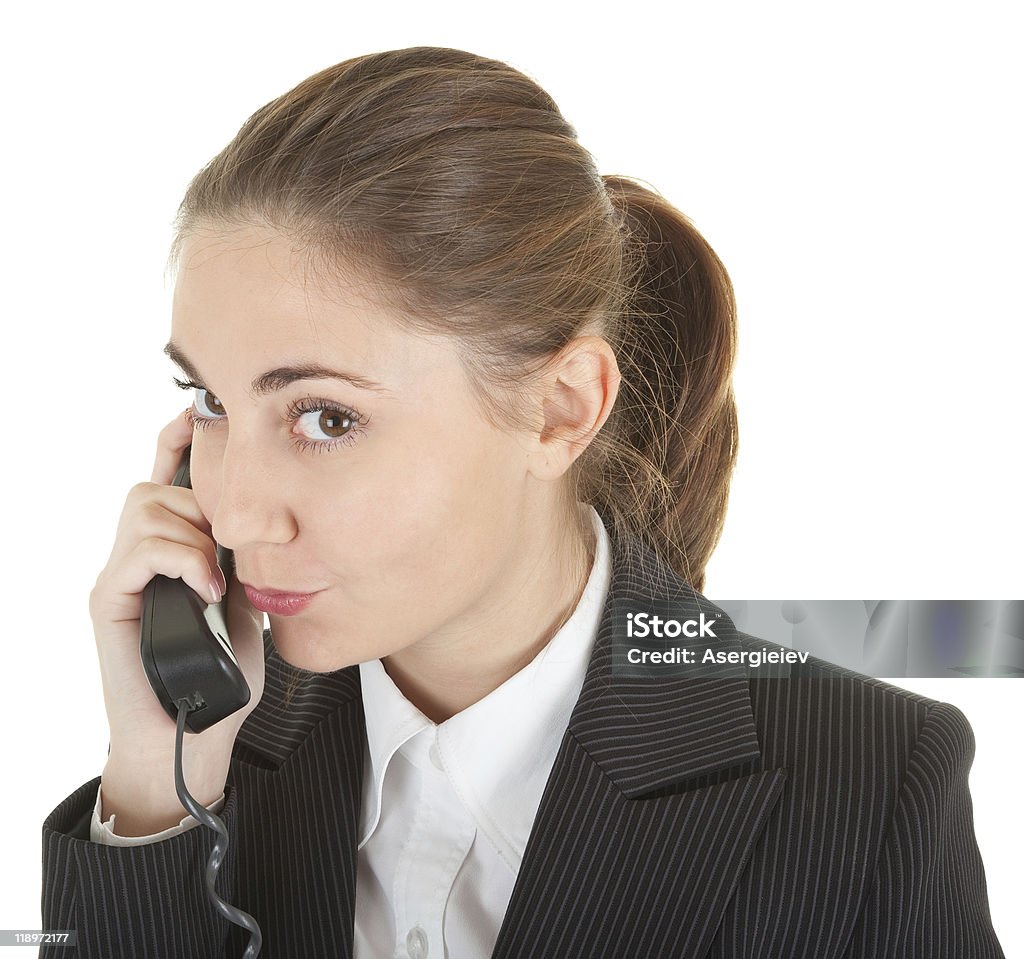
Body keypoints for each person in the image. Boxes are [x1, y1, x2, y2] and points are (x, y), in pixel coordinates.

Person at [40, 46, 1005, 958]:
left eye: (325, 417)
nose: (240, 518)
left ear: (560, 409)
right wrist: (156, 788)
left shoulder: (867, 783)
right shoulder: (215, 751)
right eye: (209, 400)